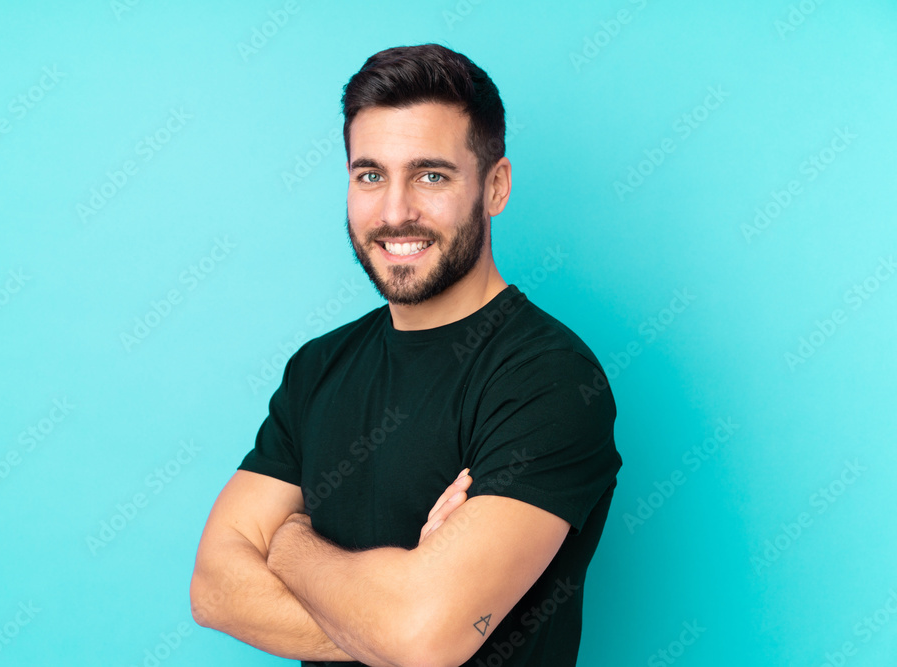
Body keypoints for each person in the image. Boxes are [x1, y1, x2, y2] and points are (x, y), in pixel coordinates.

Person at [190, 43, 622, 667]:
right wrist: (391, 615)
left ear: (494, 186)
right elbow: (214, 590)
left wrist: (287, 543)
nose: (395, 213)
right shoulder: (318, 367)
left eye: (431, 175)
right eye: (370, 175)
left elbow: (423, 638)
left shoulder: (548, 378)